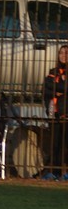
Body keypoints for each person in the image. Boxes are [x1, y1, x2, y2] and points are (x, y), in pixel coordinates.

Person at [42, 45, 68, 180]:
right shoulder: (53, 72)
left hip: (66, 112)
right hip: (55, 112)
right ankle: (55, 172)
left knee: (66, 144)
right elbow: (46, 89)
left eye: (66, 53)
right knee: (55, 144)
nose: (64, 55)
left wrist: (58, 89)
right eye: (61, 53)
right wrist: (58, 90)